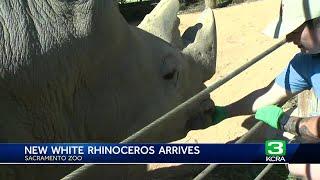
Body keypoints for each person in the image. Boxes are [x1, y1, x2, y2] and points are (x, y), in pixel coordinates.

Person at [212, 0, 320, 178]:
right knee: (294, 155)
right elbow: (267, 95)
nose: (288, 38)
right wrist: (223, 112)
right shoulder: (306, 62)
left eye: (295, 30)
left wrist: (285, 122)